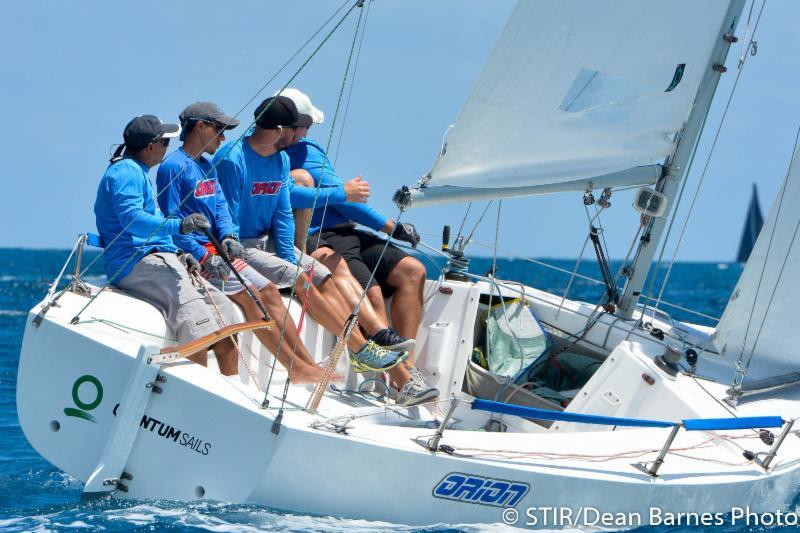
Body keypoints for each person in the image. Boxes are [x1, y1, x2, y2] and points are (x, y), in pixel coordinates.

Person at [214, 96, 406, 374]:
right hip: (238, 246)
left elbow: (282, 215)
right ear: (280, 130)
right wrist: (287, 270)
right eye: (295, 130)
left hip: (264, 242)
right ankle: (361, 350)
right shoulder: (233, 158)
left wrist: (288, 256)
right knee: (300, 278)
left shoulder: (279, 160)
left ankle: (358, 350)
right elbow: (226, 219)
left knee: (320, 273)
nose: (298, 137)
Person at [279, 88, 439, 407]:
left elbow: (345, 202)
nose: (308, 132)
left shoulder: (308, 150)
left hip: (347, 231)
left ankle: (406, 366)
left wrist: (390, 228)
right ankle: (401, 379)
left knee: (412, 270)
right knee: (374, 294)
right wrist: (389, 225)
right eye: (305, 125)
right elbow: (342, 198)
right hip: (318, 235)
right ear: (290, 126)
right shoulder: (284, 158)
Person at [156, 101, 328, 384]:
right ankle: (294, 368)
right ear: (200, 127)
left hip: (219, 250)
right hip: (203, 256)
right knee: (252, 299)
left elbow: (221, 207)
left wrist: (228, 236)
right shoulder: (173, 167)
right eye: (219, 129)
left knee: (270, 292)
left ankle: (302, 364)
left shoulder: (205, 166)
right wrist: (202, 255)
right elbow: (172, 224)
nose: (223, 137)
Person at [94, 115, 241, 375]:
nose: (167, 148)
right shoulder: (125, 172)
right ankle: (198, 392)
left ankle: (232, 386)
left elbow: (154, 222)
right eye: (164, 142)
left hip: (157, 257)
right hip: (133, 262)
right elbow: (133, 221)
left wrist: (180, 251)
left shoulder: (137, 172)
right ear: (151, 147)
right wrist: (180, 226)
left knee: (224, 307)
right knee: (195, 312)